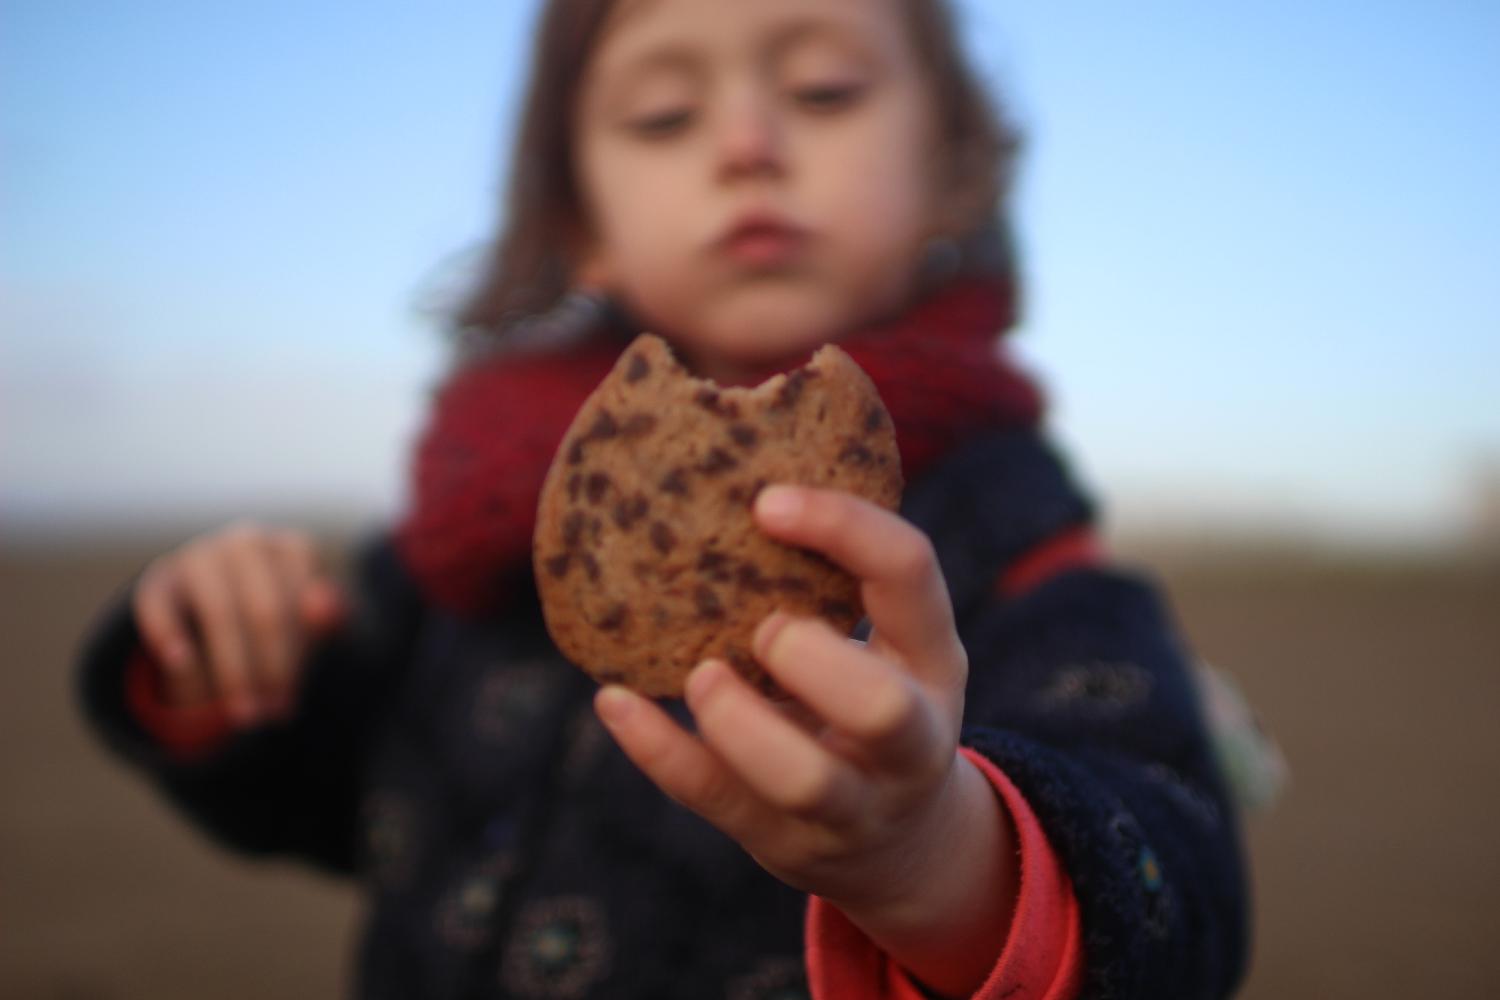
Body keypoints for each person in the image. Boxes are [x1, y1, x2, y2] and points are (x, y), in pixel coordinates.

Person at [75, 0, 1250, 996]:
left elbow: (1182, 886)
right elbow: (341, 804)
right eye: (663, 115)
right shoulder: (484, 527)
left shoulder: (1012, 535)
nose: (745, 141)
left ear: (952, 178)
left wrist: (934, 857)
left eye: (827, 90)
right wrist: (224, 668)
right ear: (583, 225)